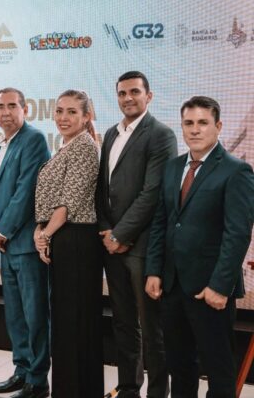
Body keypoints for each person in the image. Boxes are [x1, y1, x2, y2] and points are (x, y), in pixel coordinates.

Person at [145, 96, 254, 398]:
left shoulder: (236, 171)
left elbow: (237, 234)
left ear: (218, 126)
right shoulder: (172, 167)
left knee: (219, 370)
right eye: (189, 123)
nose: (195, 129)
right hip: (172, 286)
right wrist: (153, 270)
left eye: (203, 123)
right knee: (180, 365)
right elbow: (161, 222)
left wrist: (220, 286)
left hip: (210, 290)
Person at [96, 71, 176, 398]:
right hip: (111, 244)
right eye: (122, 93)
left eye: (134, 92)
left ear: (149, 96)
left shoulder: (161, 135)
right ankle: (129, 387)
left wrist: (121, 234)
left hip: (142, 247)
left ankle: (157, 393)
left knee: (152, 327)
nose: (128, 98)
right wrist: (106, 230)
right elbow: (102, 188)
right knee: (123, 322)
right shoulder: (111, 134)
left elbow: (152, 193)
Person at [34, 89, 102, 398]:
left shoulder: (85, 147)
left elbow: (68, 203)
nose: (63, 117)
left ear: (86, 117)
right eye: (60, 110)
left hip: (77, 241)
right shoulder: (66, 146)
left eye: (72, 112)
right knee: (65, 324)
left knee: (75, 324)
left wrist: (45, 234)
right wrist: (41, 230)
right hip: (63, 238)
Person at [0, 88, 51, 398]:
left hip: (25, 245)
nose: (6, 112)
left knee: (35, 315)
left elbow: (27, 191)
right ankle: (21, 371)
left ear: (25, 109)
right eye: (0, 106)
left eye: (12, 106)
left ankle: (37, 381)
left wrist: (3, 230)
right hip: (6, 246)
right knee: (15, 315)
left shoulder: (34, 139)